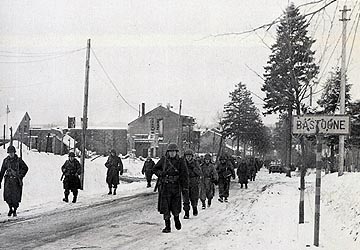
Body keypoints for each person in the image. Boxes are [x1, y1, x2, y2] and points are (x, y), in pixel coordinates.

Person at [152, 143, 189, 233]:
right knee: (165, 207)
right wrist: (161, 173)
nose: (172, 153)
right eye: (170, 151)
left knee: (175, 206)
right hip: (165, 187)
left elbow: (185, 175)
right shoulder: (164, 160)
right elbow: (155, 169)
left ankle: (176, 219)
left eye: (174, 151)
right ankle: (167, 226)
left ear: (176, 152)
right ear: (168, 152)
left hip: (176, 187)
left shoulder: (180, 161)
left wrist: (185, 187)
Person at [0, 145, 28, 217]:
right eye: (9, 153)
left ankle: (15, 210)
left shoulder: (19, 160)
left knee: (15, 197)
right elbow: (2, 171)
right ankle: (10, 208)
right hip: (8, 181)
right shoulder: (6, 161)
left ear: (14, 152)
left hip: (16, 182)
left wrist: (20, 175)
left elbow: (25, 168)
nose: (11, 154)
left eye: (12, 152)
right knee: (7, 196)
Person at [182, 149, 201, 219]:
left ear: (192, 156)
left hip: (194, 182)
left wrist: (193, 168)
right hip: (185, 182)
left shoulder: (195, 163)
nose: (188, 158)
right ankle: (186, 212)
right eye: (187, 156)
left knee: (194, 197)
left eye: (190, 156)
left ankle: (194, 207)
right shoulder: (183, 163)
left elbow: (199, 172)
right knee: (185, 199)